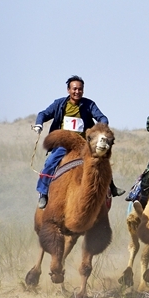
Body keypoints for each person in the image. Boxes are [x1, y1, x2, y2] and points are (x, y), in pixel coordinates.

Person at [33, 75, 123, 208]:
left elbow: (102, 117)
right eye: (74, 89)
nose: (77, 92)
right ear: (68, 90)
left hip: (83, 144)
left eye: (80, 89)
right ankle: (43, 193)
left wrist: (102, 127)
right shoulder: (59, 104)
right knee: (50, 162)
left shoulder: (89, 104)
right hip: (64, 143)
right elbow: (43, 114)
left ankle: (111, 186)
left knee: (101, 158)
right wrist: (39, 124)